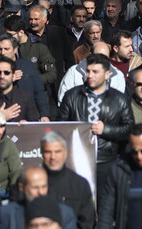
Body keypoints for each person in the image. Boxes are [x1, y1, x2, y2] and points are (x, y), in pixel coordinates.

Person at [57, 53, 133, 187]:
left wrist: (106, 130)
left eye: (95, 72)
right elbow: (60, 127)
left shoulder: (120, 99)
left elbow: (129, 130)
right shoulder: (72, 96)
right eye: (88, 71)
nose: (90, 75)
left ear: (107, 74)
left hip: (107, 160)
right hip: (77, 159)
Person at [39, 131, 96, 229]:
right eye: (48, 152)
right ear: (42, 153)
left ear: (65, 152)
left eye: (57, 151)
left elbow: (87, 224)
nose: (53, 157)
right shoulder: (29, 181)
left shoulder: (80, 184)